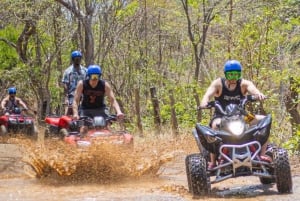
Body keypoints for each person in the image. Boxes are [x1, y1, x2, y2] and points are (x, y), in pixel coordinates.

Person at [200, 60, 268, 170]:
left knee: (264, 120)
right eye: (230, 74)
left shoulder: (243, 84)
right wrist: (204, 101)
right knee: (214, 127)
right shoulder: (218, 84)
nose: (233, 77)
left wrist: (258, 94)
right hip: (221, 117)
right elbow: (208, 94)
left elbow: (253, 89)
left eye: (236, 74)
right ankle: (213, 161)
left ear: (239, 74)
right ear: (225, 74)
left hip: (243, 116)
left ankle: (262, 154)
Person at [72, 64, 124, 134]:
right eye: (92, 76)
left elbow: (113, 100)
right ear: (88, 76)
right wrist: (75, 113)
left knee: (107, 126)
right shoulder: (82, 84)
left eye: (97, 76)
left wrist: (118, 112)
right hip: (86, 109)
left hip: (101, 109)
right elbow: (75, 100)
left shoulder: (105, 85)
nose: (95, 79)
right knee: (83, 128)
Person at [62, 50, 87, 115]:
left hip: (84, 96)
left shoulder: (85, 71)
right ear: (73, 59)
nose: (78, 60)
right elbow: (65, 85)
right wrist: (66, 98)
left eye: (79, 58)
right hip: (72, 96)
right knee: (70, 115)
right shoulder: (68, 71)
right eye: (76, 59)